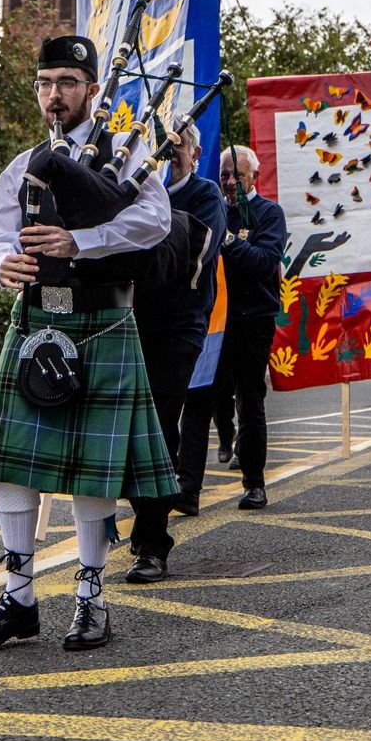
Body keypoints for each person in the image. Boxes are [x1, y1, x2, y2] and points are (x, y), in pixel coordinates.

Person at [0, 34, 178, 653]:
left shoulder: (122, 156)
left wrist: (84, 241)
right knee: (10, 462)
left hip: (101, 319)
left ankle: (90, 598)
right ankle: (18, 597)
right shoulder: (20, 164)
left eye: (68, 84)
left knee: (91, 472)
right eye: (46, 83)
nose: (56, 95)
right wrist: (2, 266)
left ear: (93, 90)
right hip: (35, 322)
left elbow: (155, 220)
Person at [124, 122, 225, 584]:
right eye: (161, 146)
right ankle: (121, 514)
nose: (168, 154)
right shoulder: (135, 190)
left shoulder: (205, 196)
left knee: (159, 428)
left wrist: (129, 235)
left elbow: (188, 254)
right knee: (116, 427)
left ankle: (151, 545)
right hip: (126, 323)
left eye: (177, 146)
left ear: (195, 154)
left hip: (177, 328)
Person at [176, 145, 287, 512]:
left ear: (255, 176)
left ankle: (254, 484)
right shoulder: (212, 209)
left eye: (237, 175)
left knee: (249, 400)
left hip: (252, 321)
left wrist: (224, 239)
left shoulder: (270, 214)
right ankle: (188, 489)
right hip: (210, 319)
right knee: (197, 401)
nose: (229, 181)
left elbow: (263, 262)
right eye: (224, 174)